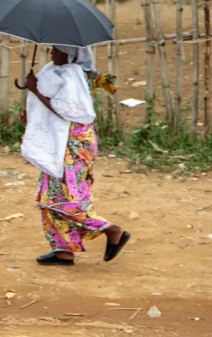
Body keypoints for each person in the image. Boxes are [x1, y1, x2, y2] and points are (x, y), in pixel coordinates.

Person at [21, 45, 130, 266]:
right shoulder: (51, 71)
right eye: (52, 49)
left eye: (57, 50)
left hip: (74, 144)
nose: (52, 53)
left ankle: (110, 229)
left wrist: (36, 91)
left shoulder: (73, 76)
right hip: (59, 142)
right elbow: (49, 108)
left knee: (61, 199)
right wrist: (31, 115)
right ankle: (64, 251)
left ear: (71, 54)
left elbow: (67, 110)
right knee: (48, 197)